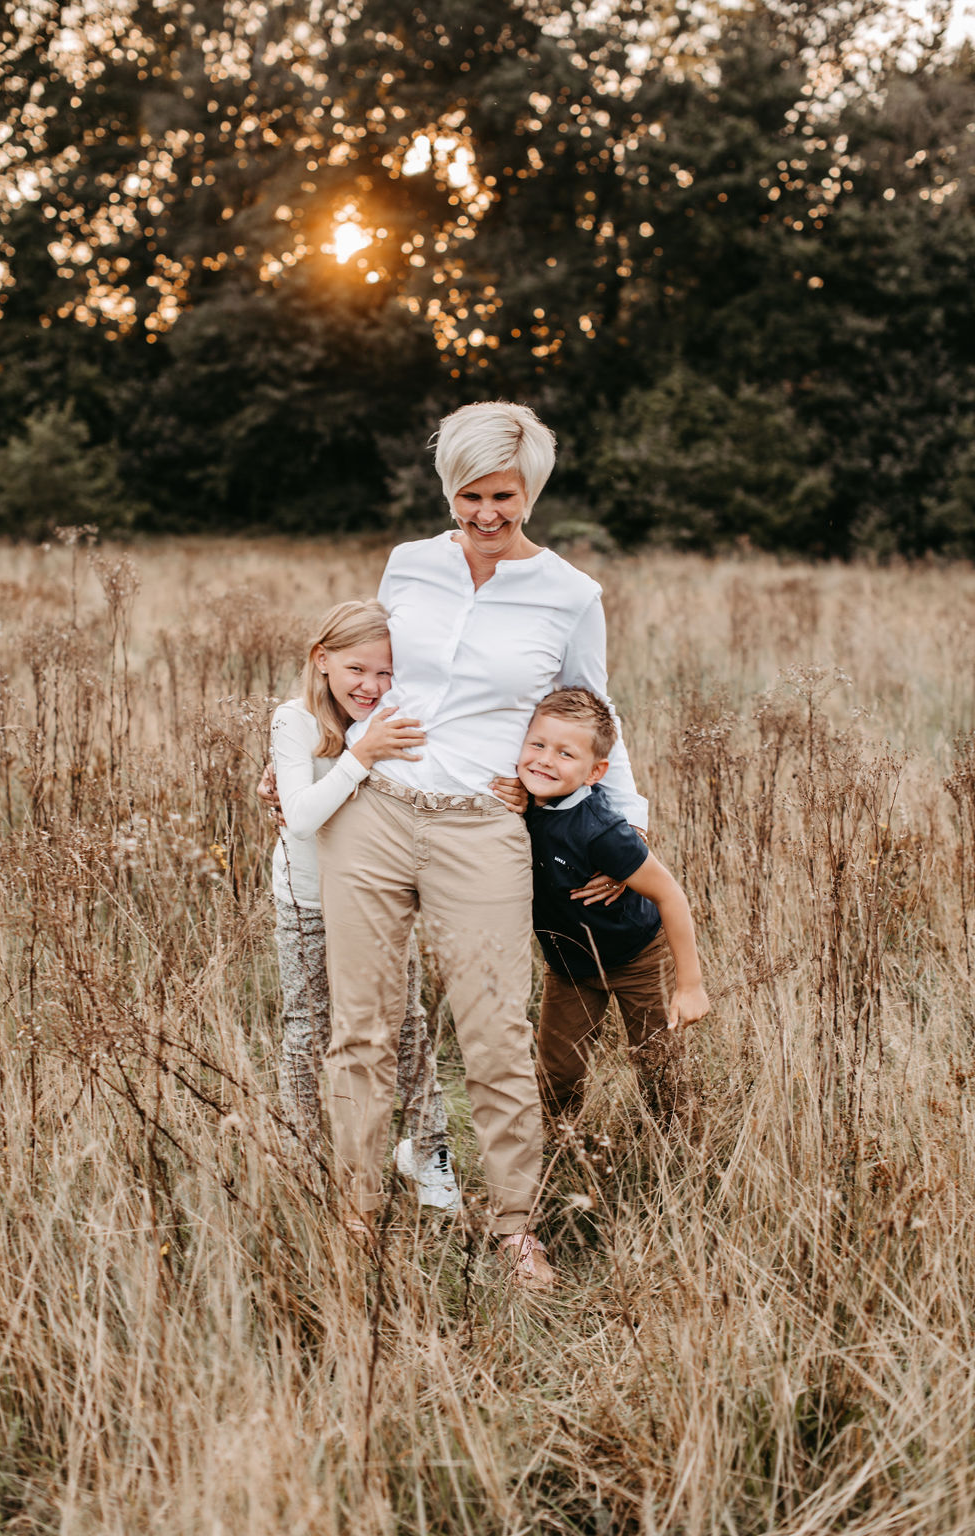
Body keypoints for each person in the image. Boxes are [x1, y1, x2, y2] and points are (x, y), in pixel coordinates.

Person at [313, 401, 650, 1292]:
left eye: (504, 495)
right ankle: (356, 1213)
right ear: (446, 489)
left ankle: (513, 1229)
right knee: (362, 1030)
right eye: (469, 495)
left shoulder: (571, 594)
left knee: (494, 1035)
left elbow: (595, 714)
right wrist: (322, 757)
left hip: (483, 830)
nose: (487, 514)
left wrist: (629, 837)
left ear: (530, 490)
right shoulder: (409, 566)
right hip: (374, 816)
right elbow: (360, 676)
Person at [269, 598, 462, 1211]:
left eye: (386, 673)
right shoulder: (295, 721)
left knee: (405, 1022)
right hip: (307, 901)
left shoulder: (398, 719)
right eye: (358, 670)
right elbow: (299, 818)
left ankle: (427, 1150)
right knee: (309, 1028)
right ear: (322, 661)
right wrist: (361, 756)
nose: (373, 686)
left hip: (379, 899)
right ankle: (303, 1155)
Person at [516, 686, 709, 1124]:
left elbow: (669, 894)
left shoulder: (601, 830)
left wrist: (690, 984)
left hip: (636, 957)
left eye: (566, 754)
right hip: (568, 967)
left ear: (594, 772)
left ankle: (681, 1151)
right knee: (558, 1073)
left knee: (659, 1065)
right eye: (538, 745)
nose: (545, 759)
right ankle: (560, 1151)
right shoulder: (516, 805)